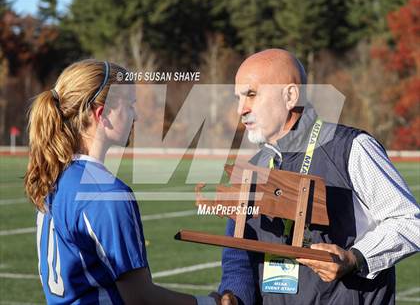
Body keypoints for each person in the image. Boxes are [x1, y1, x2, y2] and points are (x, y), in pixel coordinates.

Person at [216, 49, 420, 304]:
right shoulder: (252, 170)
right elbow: (238, 254)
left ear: (290, 96)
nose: (240, 109)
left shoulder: (351, 147)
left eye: (251, 94)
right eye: (238, 98)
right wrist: (234, 296)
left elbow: (409, 222)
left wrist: (355, 258)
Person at [24, 59, 223, 304]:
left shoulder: (54, 176)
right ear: (102, 114)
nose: (136, 115)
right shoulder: (105, 192)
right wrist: (210, 303)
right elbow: (140, 298)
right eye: (129, 104)